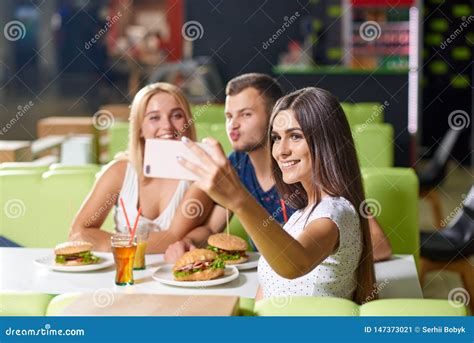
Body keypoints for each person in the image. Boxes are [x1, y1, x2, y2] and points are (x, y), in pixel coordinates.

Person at [178, 87, 377, 303]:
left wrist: (239, 199)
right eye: (275, 138)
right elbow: (268, 289)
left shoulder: (336, 212)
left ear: (326, 141)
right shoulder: (299, 215)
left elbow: (294, 265)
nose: (281, 150)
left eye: (295, 136)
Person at [165, 73, 391, 263]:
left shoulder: (305, 167)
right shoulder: (236, 164)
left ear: (276, 115)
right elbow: (213, 227)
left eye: (245, 114)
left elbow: (380, 244)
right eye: (229, 116)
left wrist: (319, 256)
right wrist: (190, 242)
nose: (233, 124)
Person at [68, 82, 213, 252]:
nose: (167, 126)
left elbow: (172, 238)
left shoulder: (201, 175)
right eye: (154, 117)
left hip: (174, 274)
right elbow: (77, 234)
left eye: (176, 115)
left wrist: (107, 243)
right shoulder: (119, 172)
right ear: (140, 128)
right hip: (124, 273)